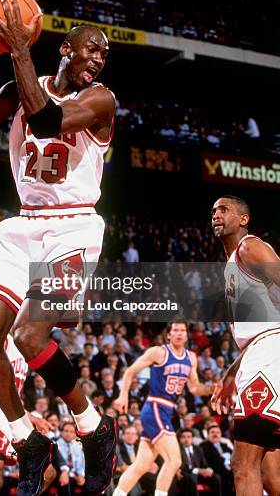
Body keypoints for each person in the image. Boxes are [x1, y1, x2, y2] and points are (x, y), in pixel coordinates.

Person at [0, 0, 116, 496]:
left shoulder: (102, 101)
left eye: (104, 55)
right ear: (65, 49)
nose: (97, 60)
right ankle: (27, 441)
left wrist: (21, 49)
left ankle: (93, 426)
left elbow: (46, 121)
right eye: (90, 50)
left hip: (74, 226)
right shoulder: (25, 83)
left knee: (28, 336)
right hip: (24, 224)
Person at [210, 195, 280, 495]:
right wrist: (231, 373)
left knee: (242, 465)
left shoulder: (249, 247)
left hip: (269, 353)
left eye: (223, 210)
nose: (216, 215)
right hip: (258, 352)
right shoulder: (230, 266)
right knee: (270, 473)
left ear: (243, 219)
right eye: (213, 211)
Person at [113, 319, 213, 496]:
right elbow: (131, 370)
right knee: (174, 461)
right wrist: (123, 395)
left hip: (166, 411)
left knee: (141, 465)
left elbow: (195, 388)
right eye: (175, 330)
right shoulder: (159, 352)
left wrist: (212, 388)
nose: (179, 333)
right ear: (169, 335)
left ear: (186, 334)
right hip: (154, 408)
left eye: (183, 330)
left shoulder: (191, 358)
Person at [0, 333, 55, 496]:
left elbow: (10, 395)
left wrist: (30, 416)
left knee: (47, 473)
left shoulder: (22, 346)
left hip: (9, 412)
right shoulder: (0, 338)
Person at [177, 427, 221, 496]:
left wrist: (208, 470)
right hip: (186, 474)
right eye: (183, 437)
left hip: (199, 475)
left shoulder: (198, 449)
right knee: (191, 477)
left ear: (192, 439)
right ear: (179, 439)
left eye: (189, 437)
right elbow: (182, 467)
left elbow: (204, 464)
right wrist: (198, 470)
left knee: (216, 477)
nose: (186, 439)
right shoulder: (178, 450)